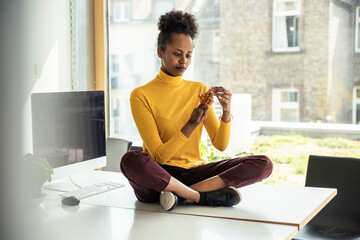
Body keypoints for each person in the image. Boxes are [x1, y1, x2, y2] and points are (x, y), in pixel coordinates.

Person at [120, 10, 273, 211]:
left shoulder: (199, 90)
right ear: (160, 52)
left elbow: (220, 144)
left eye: (189, 55)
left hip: (195, 172)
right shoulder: (141, 95)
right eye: (177, 54)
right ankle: (198, 197)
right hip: (159, 177)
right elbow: (158, 157)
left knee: (264, 163)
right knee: (130, 159)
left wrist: (226, 112)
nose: (183, 61)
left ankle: (180, 197)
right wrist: (190, 125)